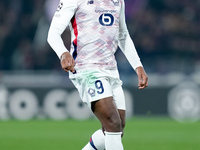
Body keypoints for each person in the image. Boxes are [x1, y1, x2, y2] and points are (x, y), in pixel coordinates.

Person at [47, 0, 148, 149]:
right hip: (86, 68)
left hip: (111, 69)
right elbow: (53, 33)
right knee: (112, 122)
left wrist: (137, 65)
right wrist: (63, 53)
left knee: (117, 129)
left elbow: (123, 34)